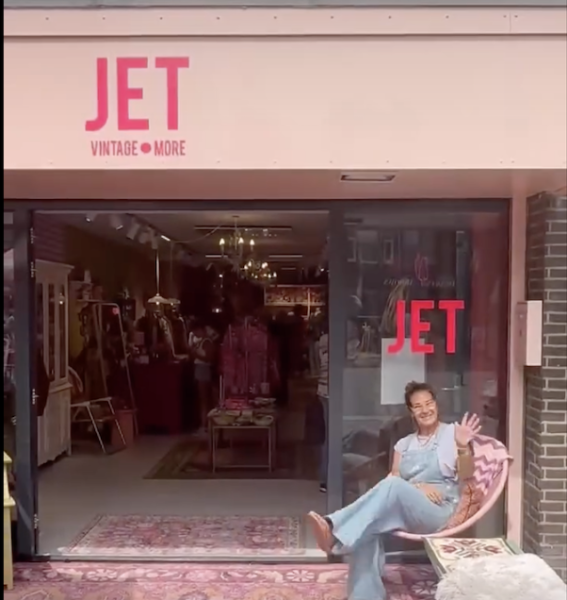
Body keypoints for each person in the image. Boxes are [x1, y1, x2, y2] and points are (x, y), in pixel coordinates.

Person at [307, 381, 480, 600]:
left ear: (436, 405)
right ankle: (364, 596)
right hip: (407, 510)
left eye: (429, 403)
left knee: (389, 490)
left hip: (439, 511)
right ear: (411, 411)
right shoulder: (403, 444)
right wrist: (418, 487)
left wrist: (463, 447)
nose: (425, 410)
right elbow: (395, 478)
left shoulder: (451, 434)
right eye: (418, 406)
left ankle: (334, 529)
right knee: (368, 525)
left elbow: (467, 475)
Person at [188, 320, 215, 434]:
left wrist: (195, 354)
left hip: (203, 370)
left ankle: (205, 424)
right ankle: (204, 423)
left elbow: (209, 358)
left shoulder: (207, 342)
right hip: (200, 369)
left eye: (195, 331)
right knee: (202, 399)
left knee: (204, 399)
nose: (194, 333)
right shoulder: (201, 341)